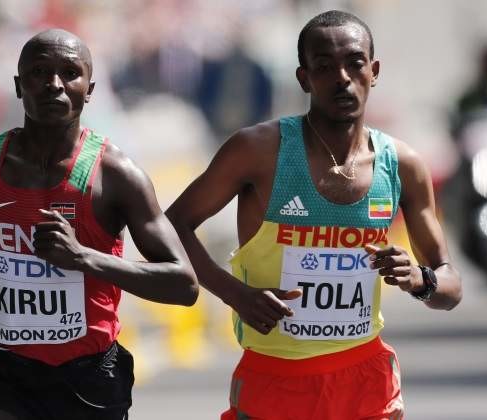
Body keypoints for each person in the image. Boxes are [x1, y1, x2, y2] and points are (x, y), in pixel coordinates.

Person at [166, 10, 462, 420]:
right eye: (324, 66)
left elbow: (450, 287)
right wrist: (235, 294)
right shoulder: (258, 150)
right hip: (275, 379)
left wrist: (419, 278)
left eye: (355, 63)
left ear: (374, 71)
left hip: (366, 380)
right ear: (304, 78)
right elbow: (171, 226)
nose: (342, 78)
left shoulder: (403, 165)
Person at [0, 29, 198, 420]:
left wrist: (84, 258)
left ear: (89, 89)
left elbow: (183, 284)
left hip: (88, 377)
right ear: (19, 86)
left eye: (70, 73)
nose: (54, 84)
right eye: (39, 72)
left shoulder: (115, 175)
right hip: (4, 370)